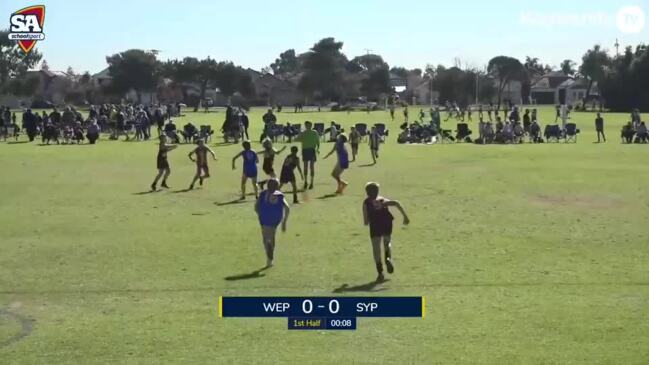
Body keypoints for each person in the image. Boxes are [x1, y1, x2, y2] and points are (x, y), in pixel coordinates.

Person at [362, 182, 410, 282]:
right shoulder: (382, 200)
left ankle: (380, 273)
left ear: (367, 192)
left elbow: (366, 221)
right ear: (377, 191)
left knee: (376, 249)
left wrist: (368, 219)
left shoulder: (366, 203)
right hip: (386, 223)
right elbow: (396, 203)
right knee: (387, 242)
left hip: (375, 225)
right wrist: (405, 216)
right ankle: (388, 258)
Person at [255, 178, 290, 267]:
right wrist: (284, 222)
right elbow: (287, 207)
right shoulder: (280, 195)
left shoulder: (263, 194)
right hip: (276, 219)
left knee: (266, 240)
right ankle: (270, 255)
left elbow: (256, 206)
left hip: (265, 219)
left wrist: (259, 214)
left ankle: (269, 260)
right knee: (271, 235)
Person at [296, 121, 320, 190]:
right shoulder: (304, 133)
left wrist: (318, 149)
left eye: (308, 125)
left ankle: (311, 183)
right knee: (306, 167)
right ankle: (306, 182)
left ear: (310, 125)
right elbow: (297, 139)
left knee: (311, 167)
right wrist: (300, 133)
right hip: (305, 150)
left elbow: (318, 141)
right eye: (306, 125)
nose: (307, 126)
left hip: (311, 150)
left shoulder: (314, 132)